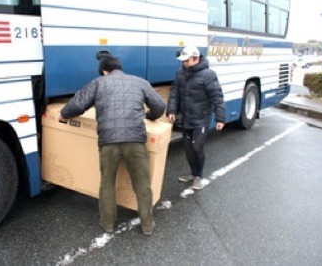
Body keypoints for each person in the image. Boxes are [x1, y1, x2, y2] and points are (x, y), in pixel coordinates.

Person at [60, 55, 166, 236]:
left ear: (104, 71)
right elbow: (159, 106)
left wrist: (64, 113)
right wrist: (150, 116)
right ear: (120, 68)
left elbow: (77, 105)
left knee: (107, 183)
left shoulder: (98, 83)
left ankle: (108, 225)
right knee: (142, 184)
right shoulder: (140, 82)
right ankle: (147, 225)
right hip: (135, 140)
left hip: (108, 142)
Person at [166, 46, 226, 190]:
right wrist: (171, 110)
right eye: (183, 61)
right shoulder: (180, 73)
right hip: (187, 118)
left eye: (186, 61)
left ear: (196, 58)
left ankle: (198, 176)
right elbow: (175, 93)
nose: (184, 63)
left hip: (202, 119)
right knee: (188, 149)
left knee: (197, 147)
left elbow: (217, 97)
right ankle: (193, 173)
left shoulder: (208, 75)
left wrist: (220, 118)